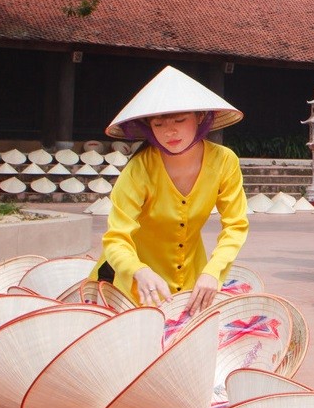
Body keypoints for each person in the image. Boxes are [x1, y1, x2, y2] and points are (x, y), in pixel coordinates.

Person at [95, 66, 249, 312]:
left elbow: (235, 225)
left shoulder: (224, 161)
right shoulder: (138, 169)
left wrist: (213, 271)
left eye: (180, 120)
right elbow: (116, 238)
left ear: (200, 117)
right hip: (137, 287)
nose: (170, 131)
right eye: (158, 124)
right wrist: (139, 270)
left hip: (193, 283)